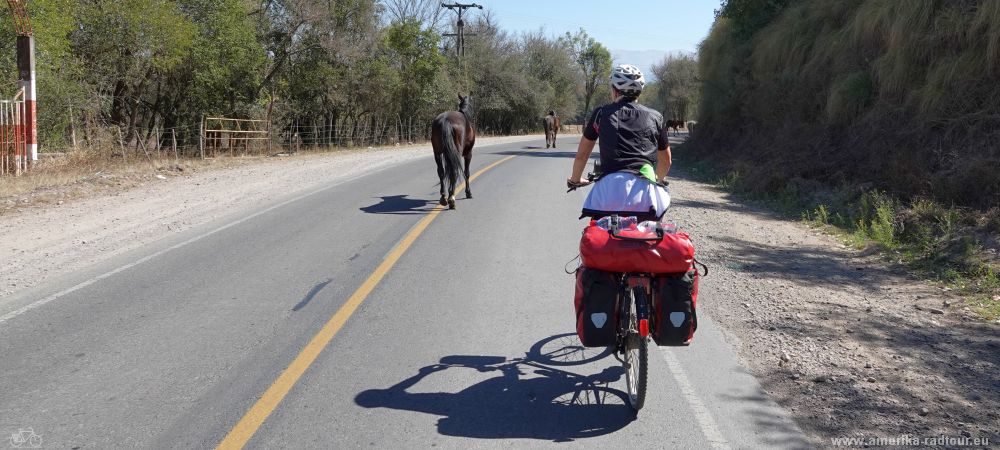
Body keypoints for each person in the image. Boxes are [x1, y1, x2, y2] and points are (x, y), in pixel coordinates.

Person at [567, 64, 672, 221]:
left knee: (598, 239)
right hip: (645, 197)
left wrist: (575, 180)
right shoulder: (656, 117)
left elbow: (582, 155)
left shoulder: (601, 114)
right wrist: (658, 180)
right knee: (649, 236)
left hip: (608, 194)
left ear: (615, 90)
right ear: (639, 92)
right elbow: (666, 161)